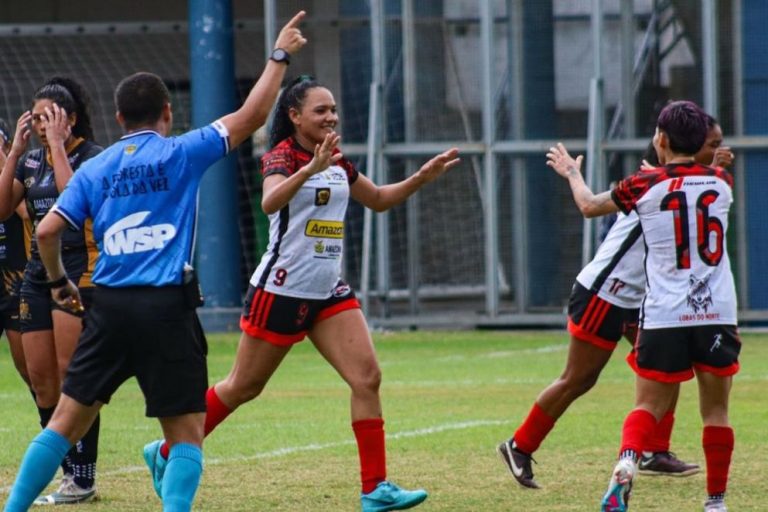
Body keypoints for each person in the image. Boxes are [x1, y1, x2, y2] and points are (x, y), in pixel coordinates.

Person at [0, 12, 307, 512]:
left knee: (63, 423)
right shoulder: (181, 151)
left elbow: (50, 229)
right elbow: (251, 116)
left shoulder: (97, 166)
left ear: (119, 119)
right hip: (166, 307)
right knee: (185, 433)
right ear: (167, 113)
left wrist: (57, 282)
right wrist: (278, 55)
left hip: (109, 308)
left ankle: (13, 508)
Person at [141, 75, 460, 512]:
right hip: (281, 291)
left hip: (327, 292)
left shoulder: (339, 161)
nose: (331, 117)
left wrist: (422, 176)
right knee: (241, 388)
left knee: (367, 378)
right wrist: (310, 169)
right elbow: (270, 203)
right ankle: (164, 451)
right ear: (294, 117)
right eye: (320, 110)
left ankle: (375, 489)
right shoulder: (282, 157)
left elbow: (380, 199)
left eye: (333, 110)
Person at [496, 115, 733, 488]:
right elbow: (590, 206)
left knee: (666, 369)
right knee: (579, 379)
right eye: (712, 145)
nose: (719, 152)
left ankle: (655, 451)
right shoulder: (654, 184)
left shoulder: (695, 182)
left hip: (644, 300)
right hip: (605, 293)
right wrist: (574, 174)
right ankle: (519, 445)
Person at [0, 79, 104, 505]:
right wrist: (13, 155)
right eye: (36, 117)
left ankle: (83, 475)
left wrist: (58, 147)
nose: (42, 125)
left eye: (50, 117)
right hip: (36, 274)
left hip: (78, 272)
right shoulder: (29, 161)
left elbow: (74, 200)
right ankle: (66, 474)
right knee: (41, 380)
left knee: (69, 376)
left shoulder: (92, 157)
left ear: (71, 118)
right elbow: (2, 209)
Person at [0, 119, 31, 388]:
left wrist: (5, 160)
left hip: (16, 279)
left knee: (28, 369)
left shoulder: (20, 177)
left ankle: (52, 425)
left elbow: (25, 214)